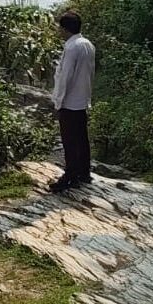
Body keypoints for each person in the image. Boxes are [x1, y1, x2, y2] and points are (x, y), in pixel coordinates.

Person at [49, 10, 96, 193]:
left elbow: (65, 77)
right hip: (82, 98)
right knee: (82, 138)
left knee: (69, 140)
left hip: (70, 101)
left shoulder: (71, 48)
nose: (59, 31)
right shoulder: (87, 44)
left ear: (65, 29)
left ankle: (70, 176)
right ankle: (84, 172)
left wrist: (58, 101)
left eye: (60, 28)